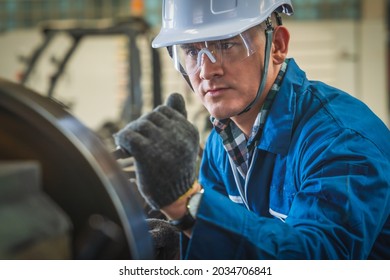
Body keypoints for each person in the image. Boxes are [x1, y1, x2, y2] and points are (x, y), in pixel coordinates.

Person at [115, 0, 390, 259]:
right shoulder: (221, 141)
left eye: (226, 45)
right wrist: (185, 241)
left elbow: (315, 260)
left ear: (278, 46)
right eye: (192, 51)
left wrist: (186, 205)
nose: (207, 70)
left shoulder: (342, 144)